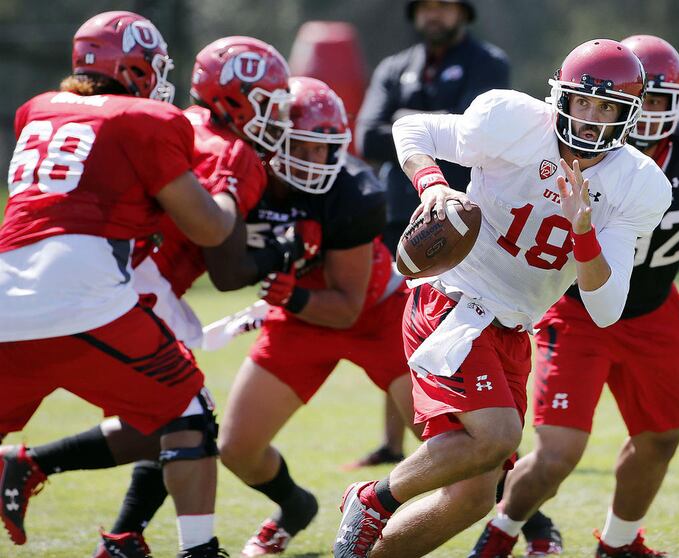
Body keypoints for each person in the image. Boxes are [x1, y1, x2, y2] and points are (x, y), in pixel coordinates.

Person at [332, 38, 672, 558]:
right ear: (561, 95)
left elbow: (605, 309)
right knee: (498, 435)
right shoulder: (515, 121)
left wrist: (585, 232)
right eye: (583, 101)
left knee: (472, 497)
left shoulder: (637, 184)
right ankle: (373, 499)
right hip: (453, 302)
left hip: (513, 328)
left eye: (608, 107)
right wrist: (432, 187)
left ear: (629, 116)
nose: (591, 118)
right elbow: (411, 127)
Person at [470, 35, 679, 558]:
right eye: (644, 98)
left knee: (661, 437)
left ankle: (617, 543)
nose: (652, 112)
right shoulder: (587, 148)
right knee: (557, 454)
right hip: (581, 309)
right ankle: (500, 533)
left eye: (662, 100)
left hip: (654, 312)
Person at [0, 35, 303, 558]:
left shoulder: (163, 124)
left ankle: (104, 523)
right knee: (186, 414)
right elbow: (226, 267)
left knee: (169, 413)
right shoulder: (227, 149)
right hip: (123, 286)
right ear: (234, 99)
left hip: (40, 277)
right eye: (268, 103)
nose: (276, 117)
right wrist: (281, 253)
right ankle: (174, 546)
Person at [216, 75, 423, 557]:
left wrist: (287, 296)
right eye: (302, 148)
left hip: (374, 314)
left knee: (455, 443)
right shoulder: (242, 177)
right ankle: (293, 506)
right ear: (268, 140)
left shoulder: (352, 191)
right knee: (238, 447)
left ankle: (522, 516)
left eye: (323, 149)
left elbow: (348, 303)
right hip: (301, 318)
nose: (316, 163)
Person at [352, 0, 510, 469]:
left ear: (464, 11)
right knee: (398, 323)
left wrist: (409, 122)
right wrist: (428, 122)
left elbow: (475, 140)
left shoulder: (489, 62)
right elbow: (368, 138)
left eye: (444, 5)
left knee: (459, 325)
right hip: (399, 216)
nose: (434, 15)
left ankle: (469, 428)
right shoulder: (395, 66)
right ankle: (396, 441)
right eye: (426, 7)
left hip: (462, 221)